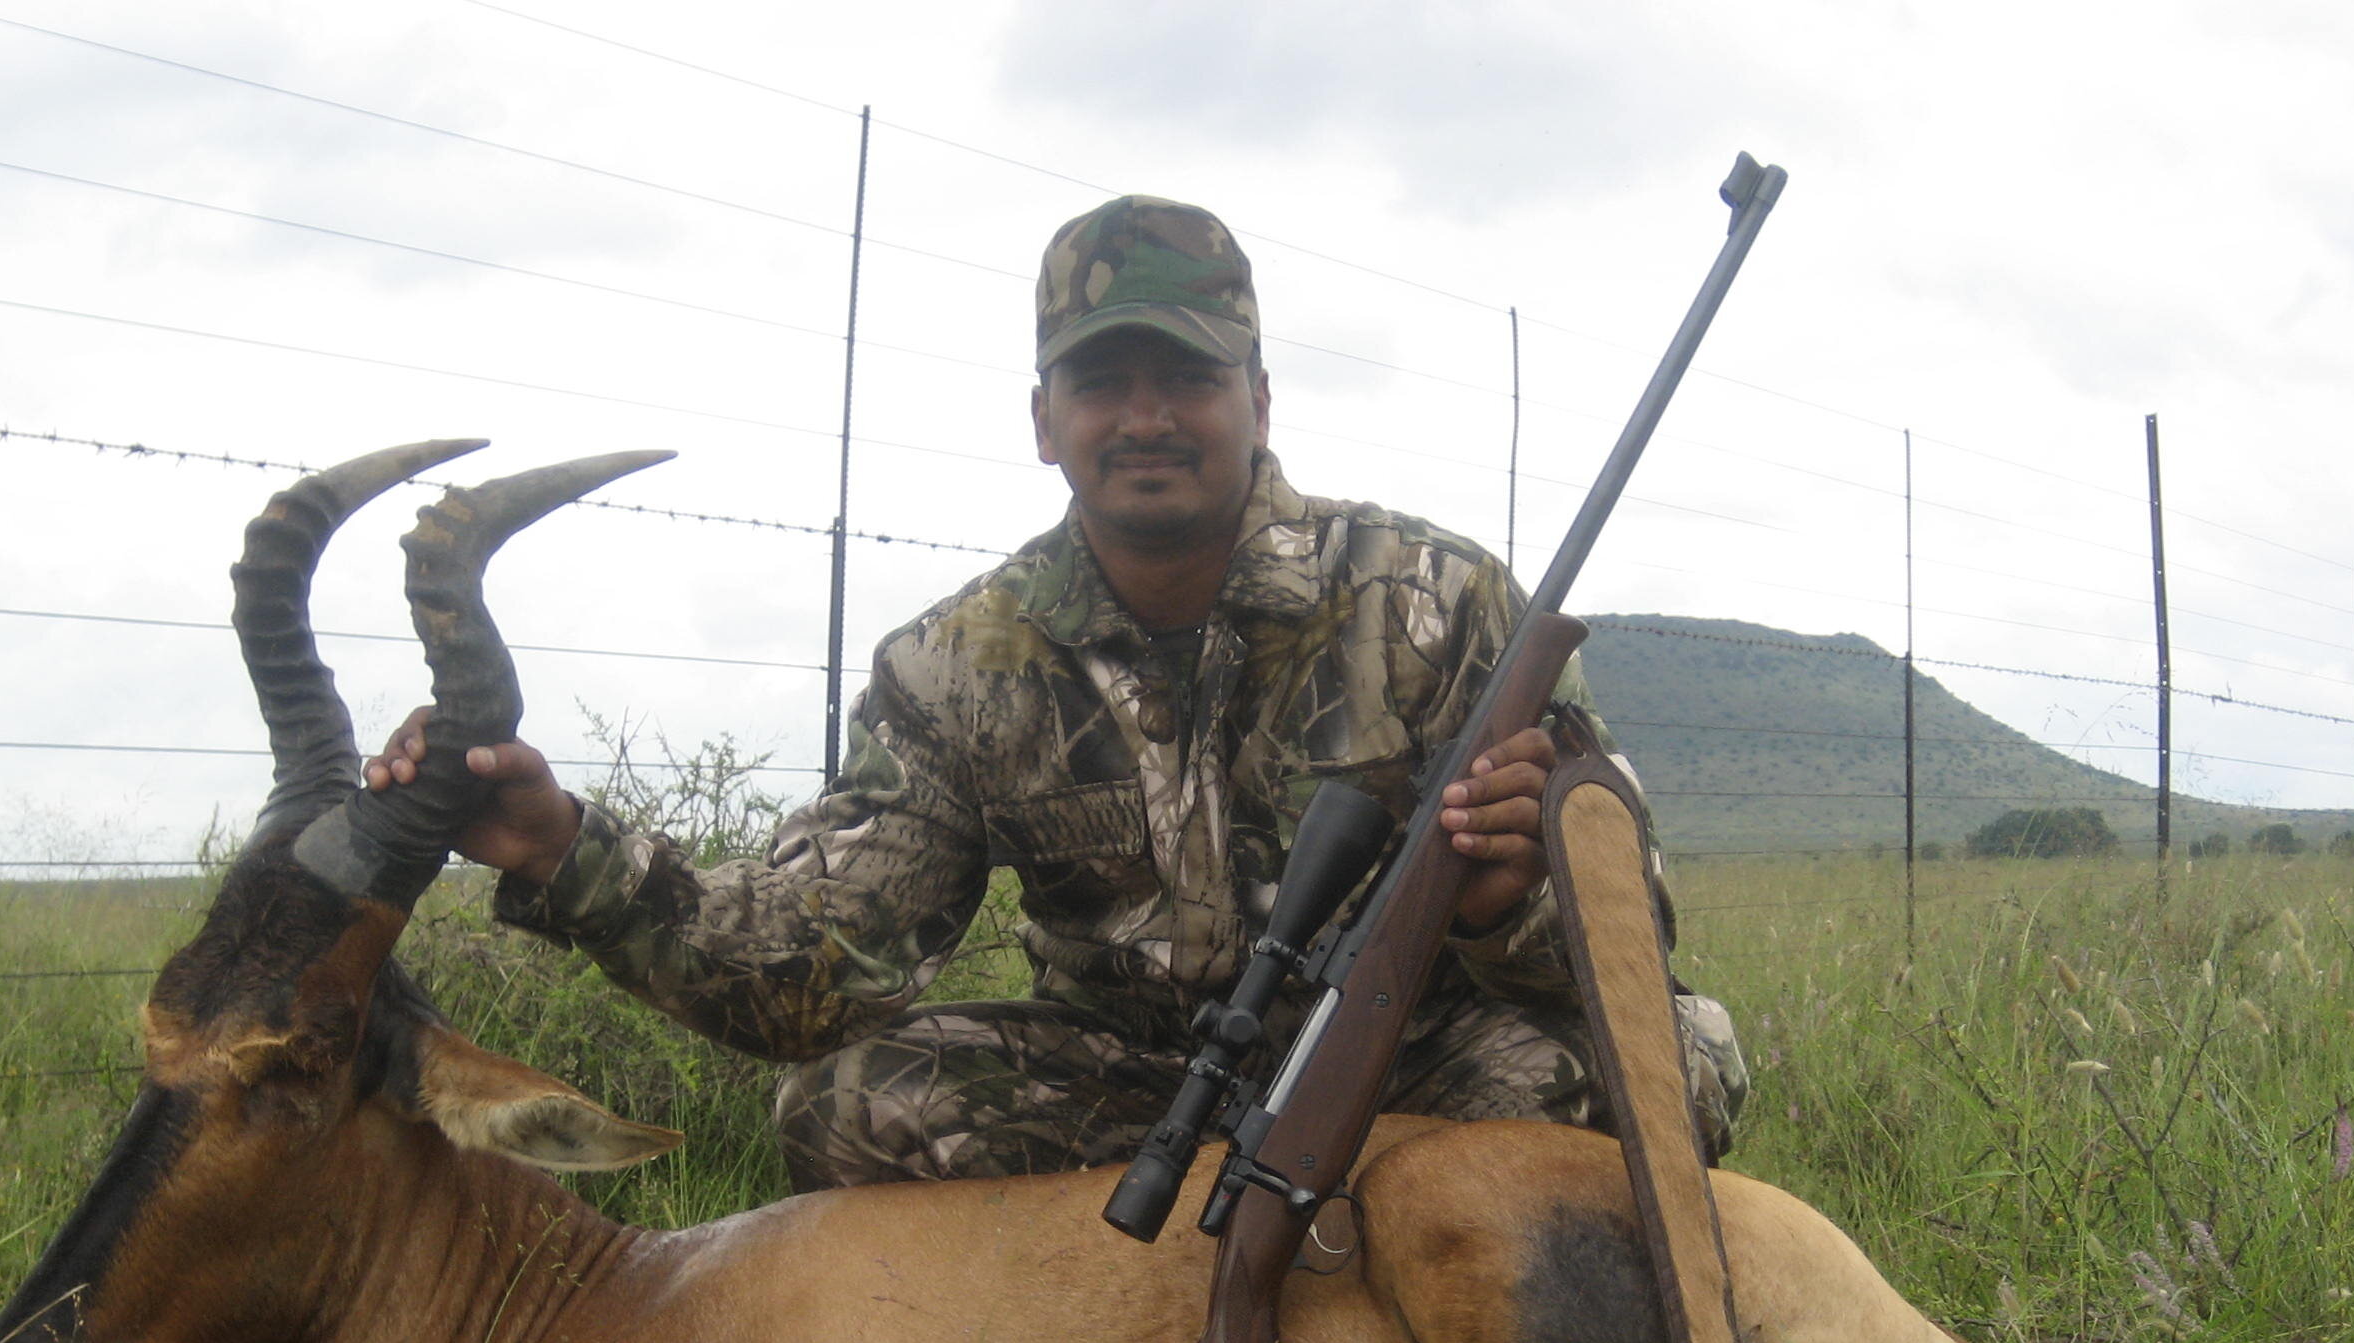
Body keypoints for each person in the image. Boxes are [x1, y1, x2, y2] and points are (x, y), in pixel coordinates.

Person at [369, 195, 1746, 1191]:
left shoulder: (1438, 599)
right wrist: (567, 851)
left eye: (1188, 378)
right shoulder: (955, 667)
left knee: (1671, 1059)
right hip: (1133, 1088)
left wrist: (1517, 897)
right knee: (844, 1104)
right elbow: (813, 972)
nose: (1147, 416)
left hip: (1408, 1063)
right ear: (1046, 420)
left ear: (1259, 401)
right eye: (1103, 382)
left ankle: (1387, 1237)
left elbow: (1637, 926)